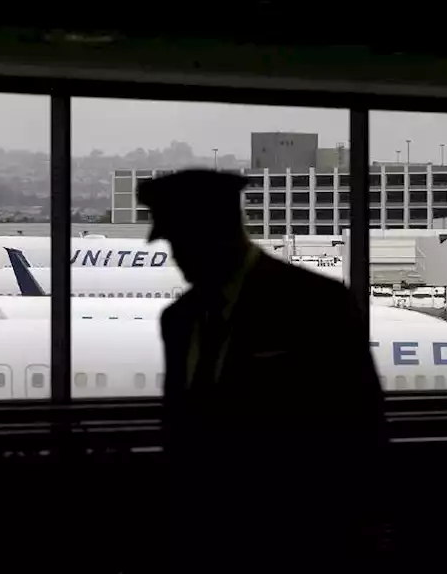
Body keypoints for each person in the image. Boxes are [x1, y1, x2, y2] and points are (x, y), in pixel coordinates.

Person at [138, 170, 387, 568]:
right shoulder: (180, 319)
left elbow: (361, 425)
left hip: (299, 532)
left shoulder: (315, 304)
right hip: (205, 536)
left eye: (182, 241)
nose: (177, 256)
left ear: (217, 232)